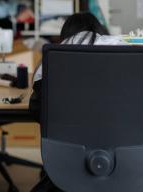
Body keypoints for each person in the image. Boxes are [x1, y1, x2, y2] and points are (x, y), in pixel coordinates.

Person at [30, 12, 110, 192]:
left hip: (65, 162)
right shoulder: (120, 52)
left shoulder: (55, 56)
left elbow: (37, 110)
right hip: (125, 165)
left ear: (66, 34)